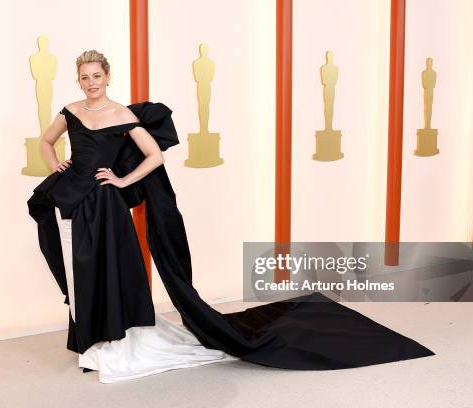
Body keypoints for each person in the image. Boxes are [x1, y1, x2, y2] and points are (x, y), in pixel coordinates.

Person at [27, 50, 434, 384]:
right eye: (85, 77)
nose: (91, 82)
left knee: (104, 271)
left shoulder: (122, 115)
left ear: (108, 76)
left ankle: (108, 343)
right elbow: (45, 141)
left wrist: (121, 179)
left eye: (96, 75)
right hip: (68, 197)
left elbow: (156, 155)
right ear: (78, 81)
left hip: (102, 205)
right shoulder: (70, 110)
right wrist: (56, 165)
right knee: (75, 271)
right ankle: (88, 344)